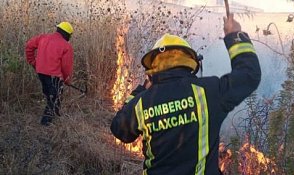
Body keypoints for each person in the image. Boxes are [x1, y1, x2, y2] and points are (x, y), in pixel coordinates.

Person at [110, 14, 261, 175]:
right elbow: (248, 75)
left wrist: (141, 90)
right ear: (190, 61)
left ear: (153, 67)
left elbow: (120, 130)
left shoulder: (142, 102)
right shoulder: (209, 91)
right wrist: (235, 36)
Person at [25, 22, 74, 126]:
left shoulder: (43, 37)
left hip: (41, 73)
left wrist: (33, 62)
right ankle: (46, 122)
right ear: (67, 34)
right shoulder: (66, 46)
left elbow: (29, 46)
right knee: (55, 97)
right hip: (54, 76)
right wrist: (66, 80)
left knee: (51, 95)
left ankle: (55, 115)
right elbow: (66, 67)